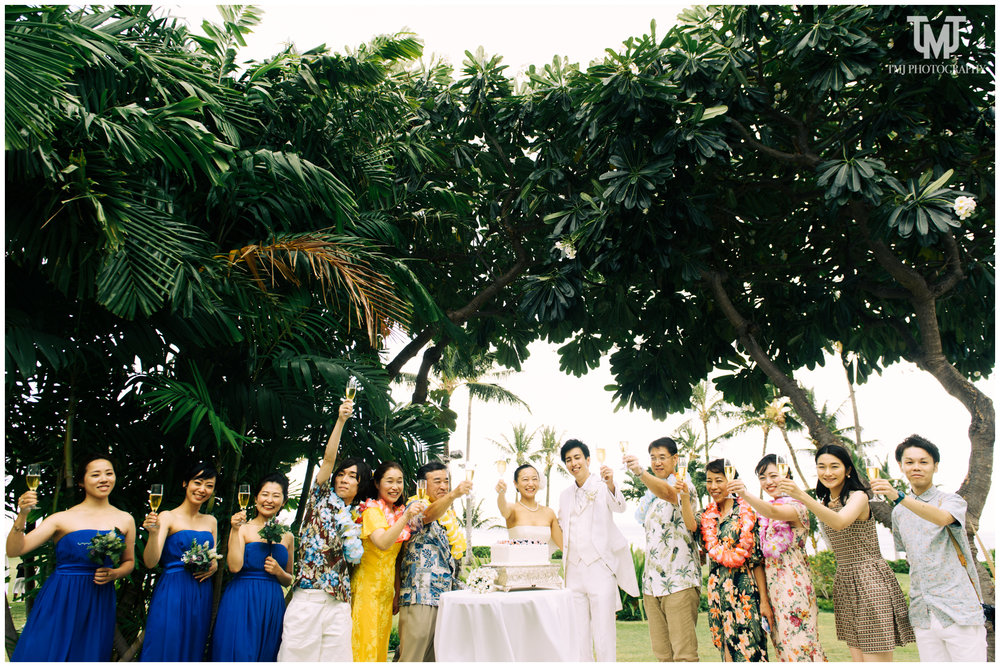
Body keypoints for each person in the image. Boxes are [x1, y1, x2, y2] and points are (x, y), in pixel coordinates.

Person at [780, 444, 914, 661]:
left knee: (875, 659)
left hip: (870, 579)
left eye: (835, 466)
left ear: (848, 470)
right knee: (858, 660)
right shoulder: (826, 502)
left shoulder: (858, 496)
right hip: (845, 581)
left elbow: (840, 521)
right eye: (821, 467)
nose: (827, 472)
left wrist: (802, 496)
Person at [870, 435, 987, 662]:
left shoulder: (951, 500)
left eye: (924, 462)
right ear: (901, 466)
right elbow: (911, 558)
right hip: (923, 613)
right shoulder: (898, 513)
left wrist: (899, 496)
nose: (916, 467)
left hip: (959, 611)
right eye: (910, 462)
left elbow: (942, 518)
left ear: (935, 466)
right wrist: (900, 502)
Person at [8, 455, 136, 661]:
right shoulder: (61, 518)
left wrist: (115, 573)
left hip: (99, 598)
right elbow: (16, 550)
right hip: (62, 595)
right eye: (95, 475)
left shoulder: (125, 519)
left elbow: (129, 562)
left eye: (109, 473)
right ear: (81, 481)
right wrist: (22, 515)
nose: (104, 479)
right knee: (45, 651)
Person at [277, 399, 369, 662]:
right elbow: (328, 459)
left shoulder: (359, 517)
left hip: (339, 599)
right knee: (295, 657)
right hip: (309, 595)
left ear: (360, 486)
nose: (344, 478)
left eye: (353, 476)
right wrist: (340, 421)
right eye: (342, 474)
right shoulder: (320, 498)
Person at [731, 454, 826, 662]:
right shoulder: (765, 515)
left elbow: (774, 511)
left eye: (773, 476)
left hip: (795, 586)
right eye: (763, 478)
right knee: (783, 648)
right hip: (775, 590)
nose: (768, 482)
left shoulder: (798, 506)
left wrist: (744, 493)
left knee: (802, 646)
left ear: (787, 476)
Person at [679, 458, 771, 662]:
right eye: (709, 481)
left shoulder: (746, 513)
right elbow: (691, 525)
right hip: (718, 592)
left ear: (731, 481)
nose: (713, 486)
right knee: (726, 651)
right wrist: (684, 496)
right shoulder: (707, 515)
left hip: (744, 592)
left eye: (718, 480)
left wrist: (764, 601)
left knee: (751, 650)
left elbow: (756, 561)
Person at [558, 439, 639, 662]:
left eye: (576, 458)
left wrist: (611, 483)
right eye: (568, 460)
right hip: (573, 572)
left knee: (603, 636)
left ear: (587, 460)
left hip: (600, 568)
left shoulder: (603, 486)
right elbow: (561, 528)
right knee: (579, 637)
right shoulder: (564, 495)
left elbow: (620, 507)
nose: (573, 463)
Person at [623, 437, 701, 662]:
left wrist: (640, 472)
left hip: (680, 582)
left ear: (675, 459)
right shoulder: (650, 497)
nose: (657, 462)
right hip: (652, 585)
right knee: (663, 656)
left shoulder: (682, 483)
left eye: (662, 457)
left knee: (684, 656)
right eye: (653, 458)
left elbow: (670, 494)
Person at [211, 472, 295, 661]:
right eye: (265, 494)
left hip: (272, 602)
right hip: (242, 597)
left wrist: (279, 572)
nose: (269, 500)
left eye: (276, 495)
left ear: (283, 501)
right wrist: (234, 529)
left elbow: (289, 578)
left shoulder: (288, 536)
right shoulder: (243, 528)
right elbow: (233, 567)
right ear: (255, 498)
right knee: (237, 650)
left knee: (266, 652)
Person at [140, 461, 219, 661]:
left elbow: (214, 556)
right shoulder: (167, 516)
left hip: (201, 592)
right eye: (198, 482)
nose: (202, 489)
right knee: (165, 641)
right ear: (185, 483)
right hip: (173, 590)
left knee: (193, 645)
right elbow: (151, 562)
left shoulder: (211, 521)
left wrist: (215, 565)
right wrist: (153, 533)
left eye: (209, 485)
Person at [396, 461, 473, 662]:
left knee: (435, 656)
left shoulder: (448, 513)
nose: (443, 486)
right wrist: (454, 494)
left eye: (446, 481)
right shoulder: (414, 505)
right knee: (412, 656)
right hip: (419, 594)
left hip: (444, 595)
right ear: (422, 485)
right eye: (437, 481)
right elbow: (426, 515)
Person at [351, 461, 426, 662]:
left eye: (399, 482)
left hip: (385, 592)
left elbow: (397, 559)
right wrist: (407, 516)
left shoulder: (397, 512)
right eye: (389, 481)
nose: (395, 487)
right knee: (364, 646)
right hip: (366, 589)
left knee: (380, 648)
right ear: (377, 483)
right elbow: (383, 542)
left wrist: (396, 591)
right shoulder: (371, 511)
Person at [496, 463, 563, 550]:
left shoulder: (549, 513)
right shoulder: (512, 509)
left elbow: (563, 545)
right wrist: (501, 493)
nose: (531, 484)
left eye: (534, 479)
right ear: (516, 483)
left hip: (543, 563)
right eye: (525, 479)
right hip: (518, 562)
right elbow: (503, 508)